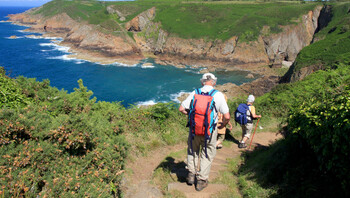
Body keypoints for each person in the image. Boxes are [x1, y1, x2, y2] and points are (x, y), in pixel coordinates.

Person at [179, 73, 230, 191]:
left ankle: (191, 175)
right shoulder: (218, 95)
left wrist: (190, 115)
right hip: (210, 131)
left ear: (202, 82)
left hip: (194, 129)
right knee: (207, 154)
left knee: (193, 151)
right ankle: (201, 181)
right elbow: (227, 116)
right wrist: (223, 124)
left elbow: (181, 108)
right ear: (214, 82)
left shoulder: (195, 92)